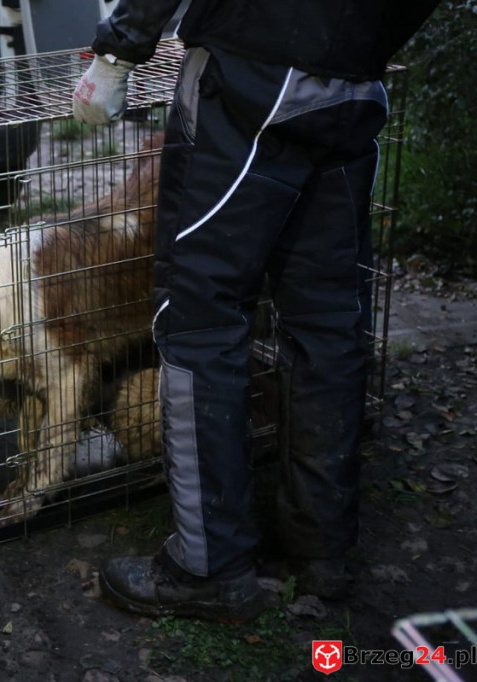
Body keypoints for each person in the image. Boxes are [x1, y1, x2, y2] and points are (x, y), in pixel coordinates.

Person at [73, 0, 441, 621]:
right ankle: (320, 549)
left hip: (250, 74)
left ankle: (206, 564)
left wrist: (120, 49)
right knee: (328, 321)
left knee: (199, 320)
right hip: (352, 83)